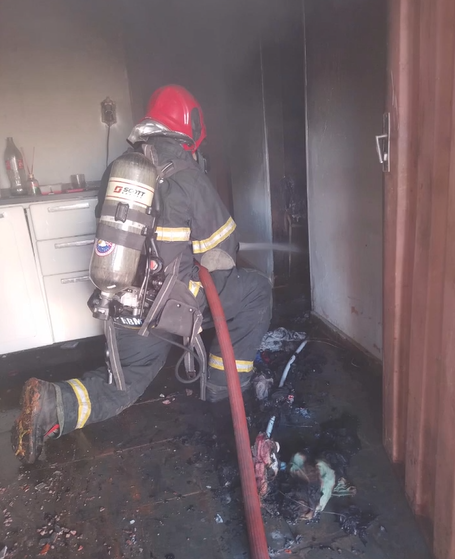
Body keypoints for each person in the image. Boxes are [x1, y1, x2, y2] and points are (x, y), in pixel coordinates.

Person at [12, 85, 272, 464]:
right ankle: (223, 389)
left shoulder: (119, 170)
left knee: (128, 382)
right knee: (256, 291)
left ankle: (54, 403)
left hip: (123, 300)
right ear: (190, 128)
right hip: (174, 304)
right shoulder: (187, 175)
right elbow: (222, 250)